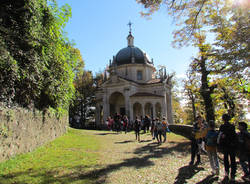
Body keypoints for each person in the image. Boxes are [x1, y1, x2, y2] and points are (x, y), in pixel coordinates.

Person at [218, 114, 238, 181]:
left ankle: (227, 172)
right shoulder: (232, 126)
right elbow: (234, 136)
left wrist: (219, 143)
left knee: (226, 160)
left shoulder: (222, 126)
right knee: (233, 160)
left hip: (225, 145)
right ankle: (233, 175)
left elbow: (220, 135)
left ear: (223, 119)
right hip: (231, 145)